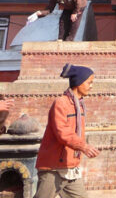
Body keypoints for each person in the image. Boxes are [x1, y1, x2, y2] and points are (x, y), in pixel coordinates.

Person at [34, 64, 100, 198]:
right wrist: (83, 146)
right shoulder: (61, 103)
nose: (91, 86)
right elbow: (62, 132)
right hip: (53, 167)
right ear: (78, 83)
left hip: (70, 165)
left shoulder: (79, 105)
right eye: (89, 82)